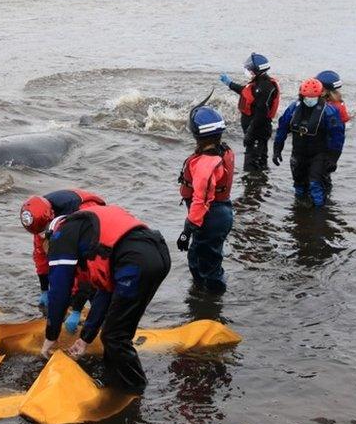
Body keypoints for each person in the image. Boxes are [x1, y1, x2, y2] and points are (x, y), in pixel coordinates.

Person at [40, 205, 170, 395]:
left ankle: (134, 388)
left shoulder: (61, 236)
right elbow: (104, 294)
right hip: (157, 254)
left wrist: (51, 336)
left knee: (114, 335)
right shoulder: (86, 228)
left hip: (135, 261)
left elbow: (59, 292)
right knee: (115, 330)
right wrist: (85, 339)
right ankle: (114, 378)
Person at [20, 190, 106, 331]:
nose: (41, 236)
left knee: (96, 283)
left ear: (51, 219)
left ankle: (102, 324)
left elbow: (86, 270)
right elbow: (41, 256)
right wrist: (44, 289)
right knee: (60, 279)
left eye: (43, 232)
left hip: (95, 235)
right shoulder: (39, 216)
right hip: (64, 228)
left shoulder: (83, 216)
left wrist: (77, 309)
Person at [176, 106, 235, 294]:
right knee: (196, 257)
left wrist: (186, 230)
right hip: (219, 212)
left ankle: (213, 306)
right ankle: (199, 296)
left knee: (210, 266)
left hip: (211, 216)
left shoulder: (205, 164)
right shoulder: (224, 151)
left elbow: (201, 200)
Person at [272, 78, 345, 208]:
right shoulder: (293, 109)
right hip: (299, 153)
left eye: (313, 97)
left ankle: (319, 214)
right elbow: (282, 128)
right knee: (299, 183)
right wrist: (277, 149)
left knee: (315, 184)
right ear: (301, 95)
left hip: (319, 153)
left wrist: (334, 158)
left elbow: (337, 136)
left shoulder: (329, 112)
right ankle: (299, 211)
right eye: (307, 97)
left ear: (321, 95)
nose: (310, 99)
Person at [219, 53, 280, 172]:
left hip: (258, 132)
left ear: (256, 70)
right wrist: (230, 84)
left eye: (249, 69)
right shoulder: (257, 83)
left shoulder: (265, 87)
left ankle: (253, 188)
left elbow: (261, 115)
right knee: (260, 163)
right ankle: (261, 184)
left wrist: (250, 134)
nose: (247, 71)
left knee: (251, 166)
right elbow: (246, 92)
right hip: (255, 130)